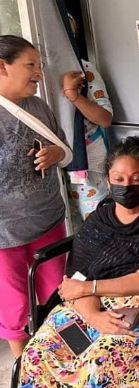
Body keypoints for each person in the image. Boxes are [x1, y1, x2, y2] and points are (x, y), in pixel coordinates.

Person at [16, 135, 139, 388]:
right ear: (108, 180)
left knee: (100, 363)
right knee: (39, 352)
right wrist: (93, 314)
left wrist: (90, 289)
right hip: (87, 303)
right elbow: (75, 281)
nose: (126, 186)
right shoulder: (98, 221)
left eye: (136, 178)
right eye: (118, 179)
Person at [0, 35, 71, 359]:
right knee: (14, 305)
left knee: (56, 292)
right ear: (3, 66)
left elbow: (67, 152)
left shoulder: (39, 107)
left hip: (49, 221)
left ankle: (55, 358)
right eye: (31, 65)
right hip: (5, 234)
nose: (38, 73)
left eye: (39, 66)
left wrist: (56, 153)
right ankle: (25, 370)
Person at [62, 12, 114, 230]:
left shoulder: (83, 71)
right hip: (57, 163)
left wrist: (74, 96)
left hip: (89, 163)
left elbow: (105, 118)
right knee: (66, 225)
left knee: (94, 223)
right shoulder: (39, 75)